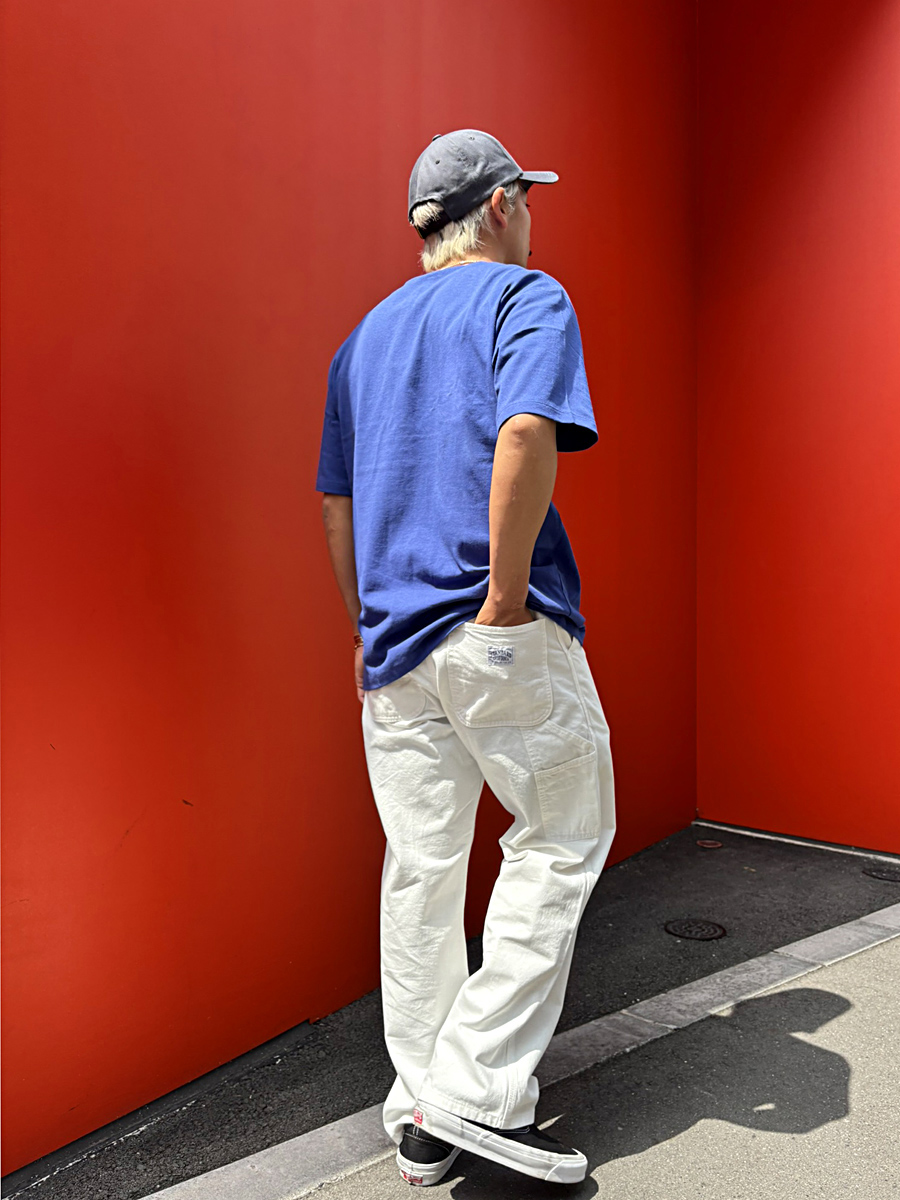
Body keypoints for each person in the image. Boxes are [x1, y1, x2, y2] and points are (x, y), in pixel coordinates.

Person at [315, 129, 616, 1187]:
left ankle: (422, 1106)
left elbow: (337, 504)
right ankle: (477, 1089)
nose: (531, 217)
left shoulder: (364, 338)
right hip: (495, 629)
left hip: (393, 647)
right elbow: (526, 432)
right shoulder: (525, 297)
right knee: (564, 837)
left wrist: (367, 625)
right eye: (526, 199)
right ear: (498, 205)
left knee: (423, 869)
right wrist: (501, 597)